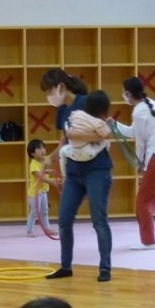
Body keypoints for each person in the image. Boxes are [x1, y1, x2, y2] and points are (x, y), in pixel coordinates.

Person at [40, 69, 114, 283]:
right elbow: (64, 141)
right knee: (64, 220)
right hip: (73, 171)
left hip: (97, 170)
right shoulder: (62, 110)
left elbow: (104, 132)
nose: (49, 96)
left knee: (99, 220)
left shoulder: (87, 102)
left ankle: (105, 268)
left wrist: (76, 135)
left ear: (62, 87)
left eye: (50, 91)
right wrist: (50, 159)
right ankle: (65, 266)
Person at [112, 76, 155, 250]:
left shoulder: (139, 111)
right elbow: (136, 133)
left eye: (124, 93)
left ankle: (148, 241)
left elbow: (141, 141)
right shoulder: (148, 104)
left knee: (142, 201)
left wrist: (140, 163)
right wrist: (115, 125)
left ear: (128, 93)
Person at [59, 90, 112, 166]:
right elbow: (107, 134)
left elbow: (70, 124)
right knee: (106, 142)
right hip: (88, 154)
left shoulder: (77, 113)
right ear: (104, 109)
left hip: (73, 151)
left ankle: (64, 174)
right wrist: (107, 125)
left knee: (62, 152)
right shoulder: (97, 122)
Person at [26, 139, 58, 237]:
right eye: (39, 148)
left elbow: (53, 157)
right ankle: (29, 231)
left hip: (43, 192)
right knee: (35, 212)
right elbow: (40, 176)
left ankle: (47, 228)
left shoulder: (44, 160)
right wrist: (52, 181)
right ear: (32, 153)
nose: (43, 150)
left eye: (43, 147)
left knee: (44, 211)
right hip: (35, 194)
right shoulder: (33, 164)